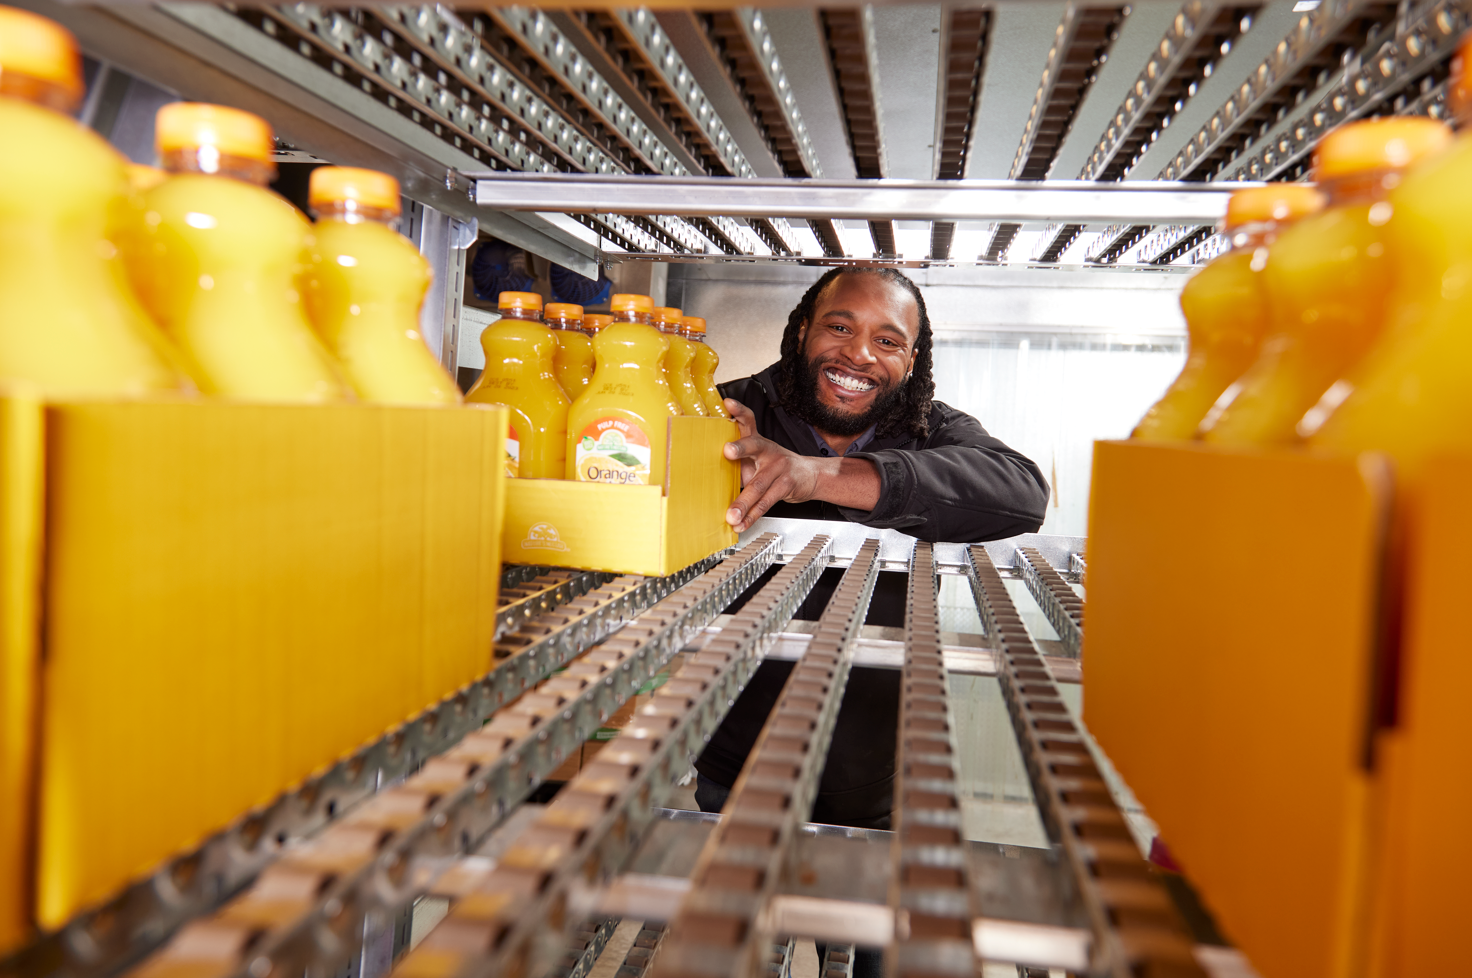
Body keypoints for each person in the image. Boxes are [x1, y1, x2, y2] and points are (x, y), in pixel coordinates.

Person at [694, 266, 1050, 829]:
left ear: (911, 361)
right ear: (803, 329)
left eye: (887, 341)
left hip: (873, 764)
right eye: (840, 327)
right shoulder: (724, 415)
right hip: (732, 754)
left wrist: (815, 476)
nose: (859, 354)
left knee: (852, 910)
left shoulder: (930, 429)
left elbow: (1022, 492)